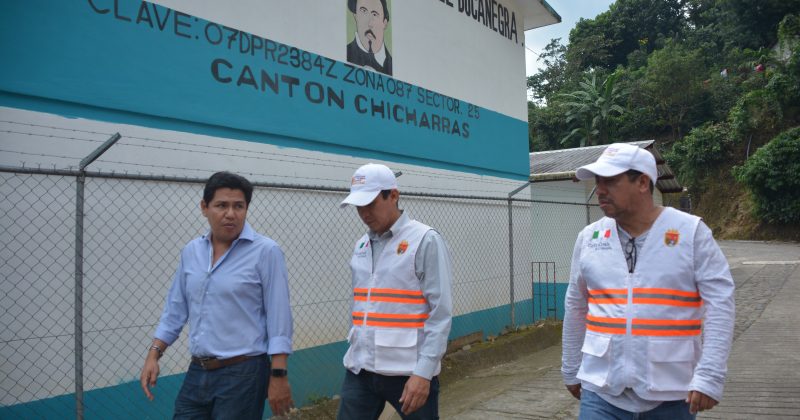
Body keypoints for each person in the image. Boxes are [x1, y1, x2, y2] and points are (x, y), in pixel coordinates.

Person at [561, 143, 735, 419]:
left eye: (610, 181)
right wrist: (571, 366)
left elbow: (720, 303)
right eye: (598, 181)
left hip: (672, 392)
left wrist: (710, 374)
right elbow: (576, 303)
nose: (600, 189)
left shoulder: (690, 233)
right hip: (602, 389)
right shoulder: (590, 238)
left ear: (643, 182)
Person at [139, 171, 294, 419]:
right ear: (204, 207)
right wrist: (154, 353)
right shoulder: (191, 251)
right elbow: (175, 310)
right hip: (198, 371)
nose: (230, 214)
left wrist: (278, 375)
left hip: (244, 373)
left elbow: (279, 318)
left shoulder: (266, 252)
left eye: (238, 206)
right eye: (222, 205)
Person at [337, 163, 453, 419]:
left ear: (394, 195)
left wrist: (423, 372)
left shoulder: (424, 240)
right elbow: (360, 304)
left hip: (408, 373)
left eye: (370, 203)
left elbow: (441, 313)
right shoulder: (361, 245)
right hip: (361, 370)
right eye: (359, 206)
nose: (364, 213)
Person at [347, 0, 393, 75]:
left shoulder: (391, 64)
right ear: (355, 16)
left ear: (384, 23)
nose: (369, 23)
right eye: (364, 11)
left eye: (375, 14)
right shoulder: (348, 53)